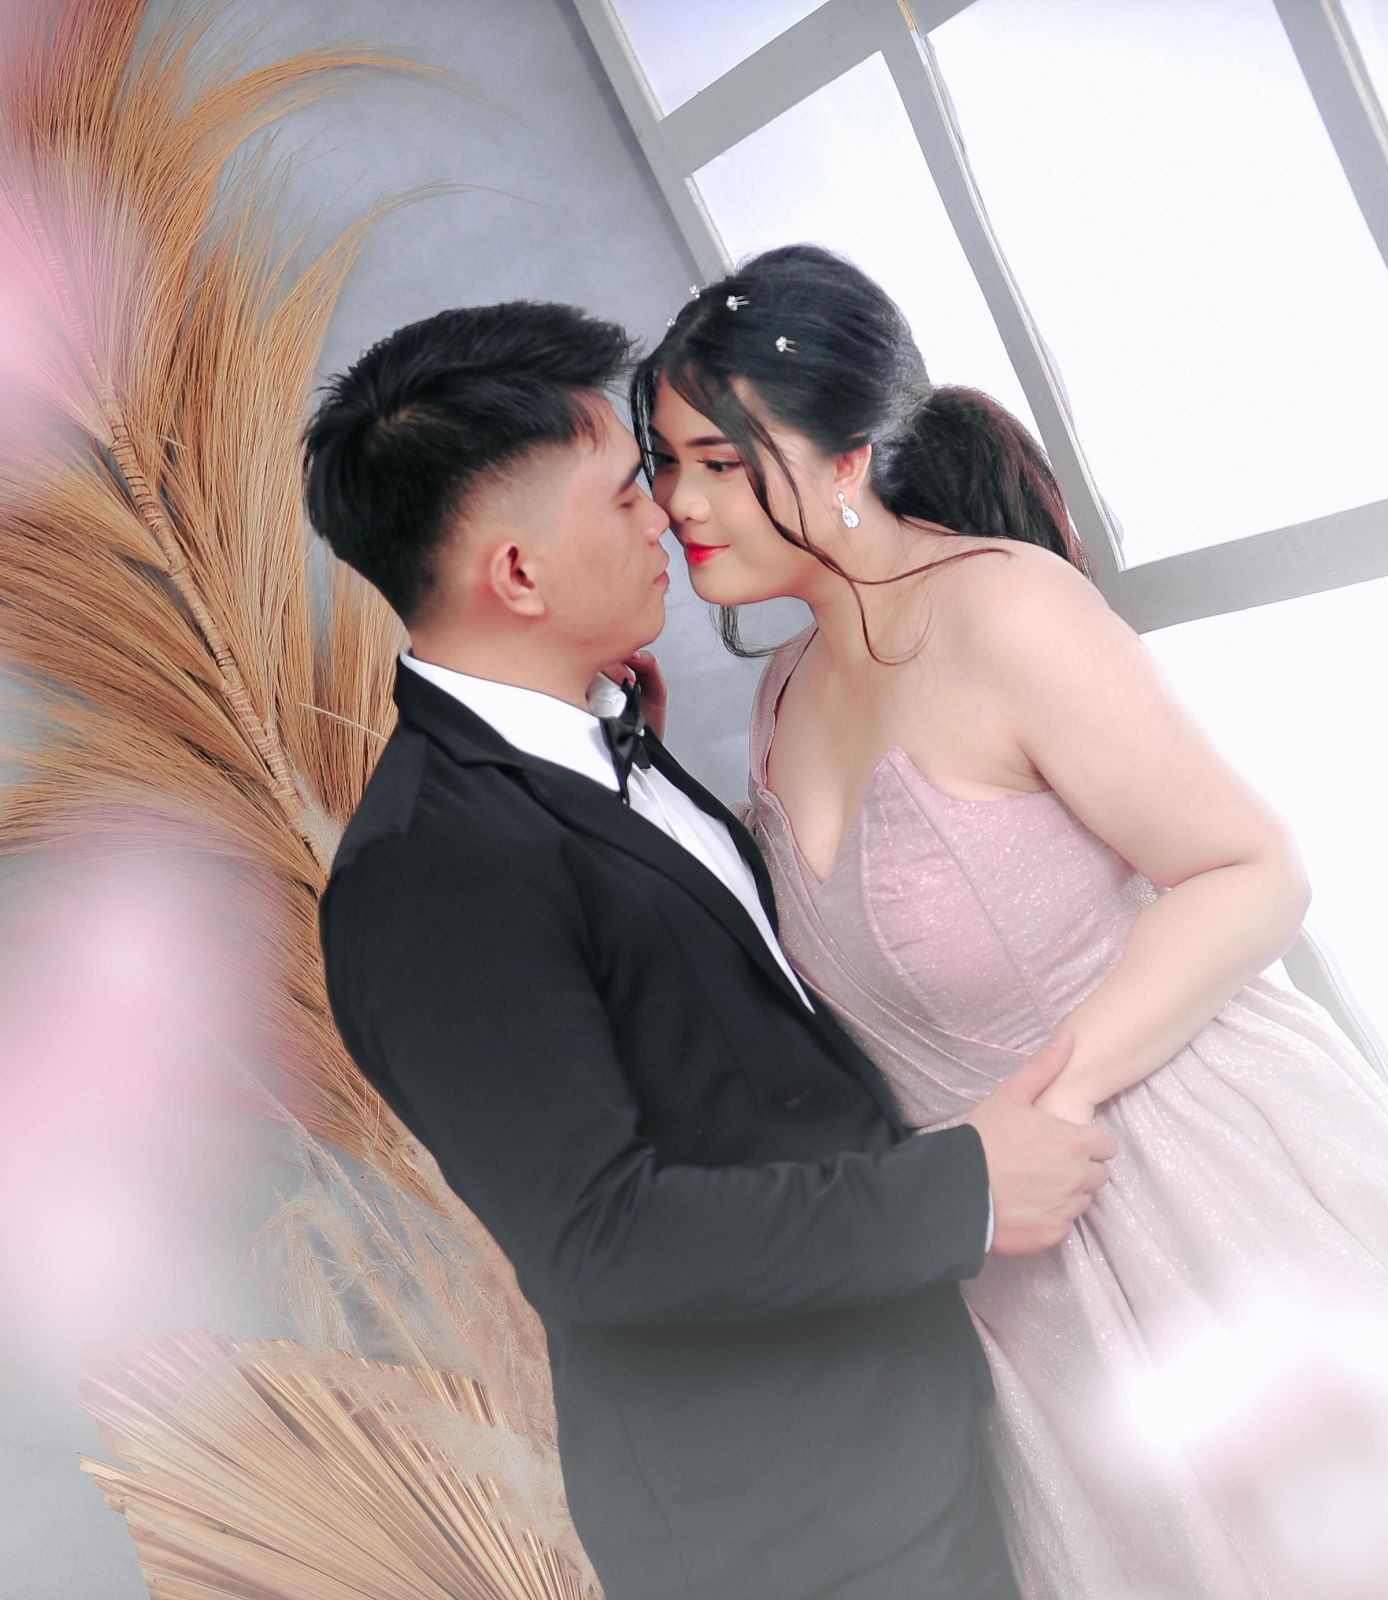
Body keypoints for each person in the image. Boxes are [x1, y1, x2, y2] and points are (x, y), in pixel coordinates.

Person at [634, 245, 1388, 1599]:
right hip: (1015, 1252)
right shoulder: (781, 690)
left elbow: (1251, 869)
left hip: (1188, 1171)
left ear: (847, 457)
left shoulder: (1001, 608)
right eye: (664, 462)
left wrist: (1048, 1109)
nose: (678, 502)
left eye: (717, 460)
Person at [302, 299, 1118, 1600]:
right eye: (629, 492)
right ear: (517, 575)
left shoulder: (591, 733)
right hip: (787, 1526)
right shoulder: (430, 871)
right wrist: (960, 1192)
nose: (668, 517)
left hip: (901, 1418)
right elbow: (600, 1236)